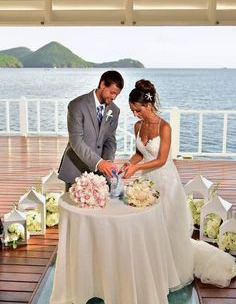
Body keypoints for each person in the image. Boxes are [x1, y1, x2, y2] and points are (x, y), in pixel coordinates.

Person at [120, 79, 236, 289]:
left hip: (165, 180)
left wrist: (137, 169)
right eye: (132, 111)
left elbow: (162, 159)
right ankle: (147, 264)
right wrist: (129, 163)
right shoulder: (137, 125)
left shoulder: (165, 127)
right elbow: (140, 153)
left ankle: (168, 267)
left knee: (166, 224)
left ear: (148, 105)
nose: (135, 114)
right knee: (146, 224)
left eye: (137, 110)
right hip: (145, 181)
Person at [58, 70, 124, 190]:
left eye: (117, 94)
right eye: (112, 92)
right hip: (75, 170)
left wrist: (107, 161)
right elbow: (76, 141)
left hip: (101, 174)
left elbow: (110, 140)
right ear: (102, 84)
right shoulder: (77, 105)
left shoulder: (115, 110)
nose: (114, 97)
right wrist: (99, 163)